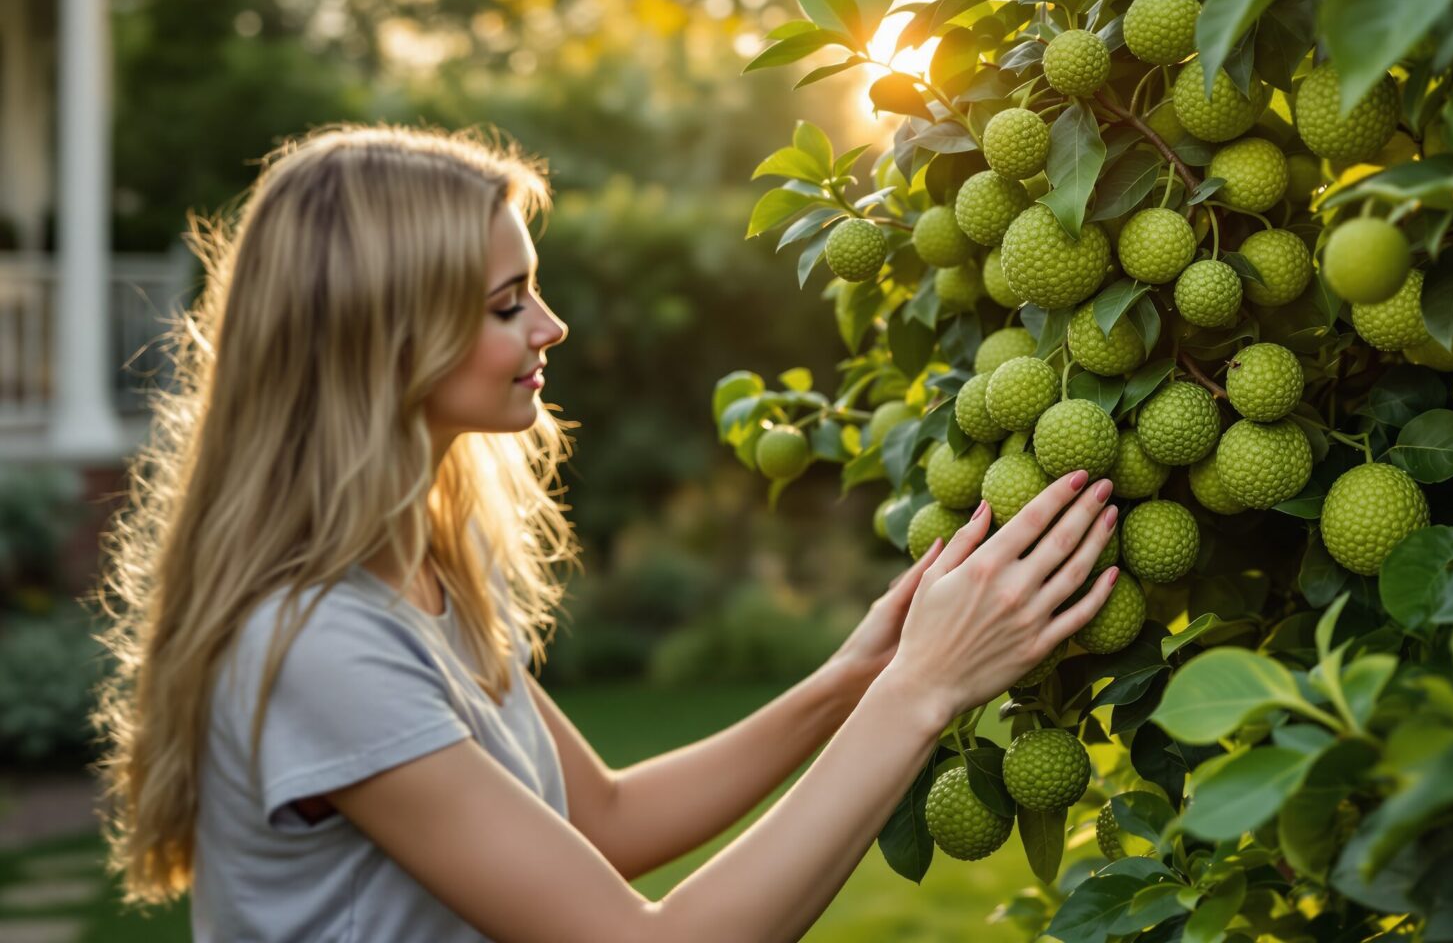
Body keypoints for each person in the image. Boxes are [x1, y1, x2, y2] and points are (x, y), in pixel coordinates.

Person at [87, 123, 1121, 941]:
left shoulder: (420, 574)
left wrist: (851, 677)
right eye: (508, 303)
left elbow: (605, 819)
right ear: (382, 340)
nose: (551, 326)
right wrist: (921, 691)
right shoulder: (319, 643)